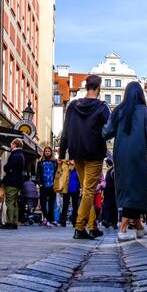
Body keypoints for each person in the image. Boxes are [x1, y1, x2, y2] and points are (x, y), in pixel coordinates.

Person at [102, 81, 147, 242]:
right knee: (138, 188)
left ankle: (139, 228)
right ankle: (122, 229)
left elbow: (107, 132)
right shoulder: (146, 111)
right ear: (140, 94)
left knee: (128, 188)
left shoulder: (119, 110)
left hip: (120, 155)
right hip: (139, 153)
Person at [58, 74, 111, 240]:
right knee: (89, 190)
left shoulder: (73, 106)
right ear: (98, 88)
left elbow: (65, 130)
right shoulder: (102, 107)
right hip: (94, 152)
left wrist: (61, 153)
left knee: (85, 190)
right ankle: (80, 227)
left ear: (87, 87)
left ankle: (93, 225)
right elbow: (109, 130)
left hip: (76, 152)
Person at [0, 138, 25, 230]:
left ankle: (9, 222)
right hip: (18, 182)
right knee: (14, 203)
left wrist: (6, 168)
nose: (10, 144)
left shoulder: (15, 154)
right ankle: (14, 222)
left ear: (15, 145)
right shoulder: (21, 154)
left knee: (9, 202)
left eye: (12, 143)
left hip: (12, 181)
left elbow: (8, 167)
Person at [37, 147, 58, 226]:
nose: (47, 152)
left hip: (53, 186)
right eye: (46, 151)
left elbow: (58, 173)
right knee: (42, 204)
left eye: (48, 151)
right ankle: (47, 217)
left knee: (51, 204)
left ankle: (49, 220)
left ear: (51, 152)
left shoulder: (55, 162)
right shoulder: (40, 162)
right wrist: (40, 183)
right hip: (43, 185)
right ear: (44, 152)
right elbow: (38, 173)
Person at [100, 157, 118, 230]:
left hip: (112, 193)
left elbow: (115, 183)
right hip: (108, 193)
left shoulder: (113, 171)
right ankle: (107, 221)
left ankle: (114, 222)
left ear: (108, 163)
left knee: (113, 207)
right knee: (107, 207)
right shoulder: (109, 171)